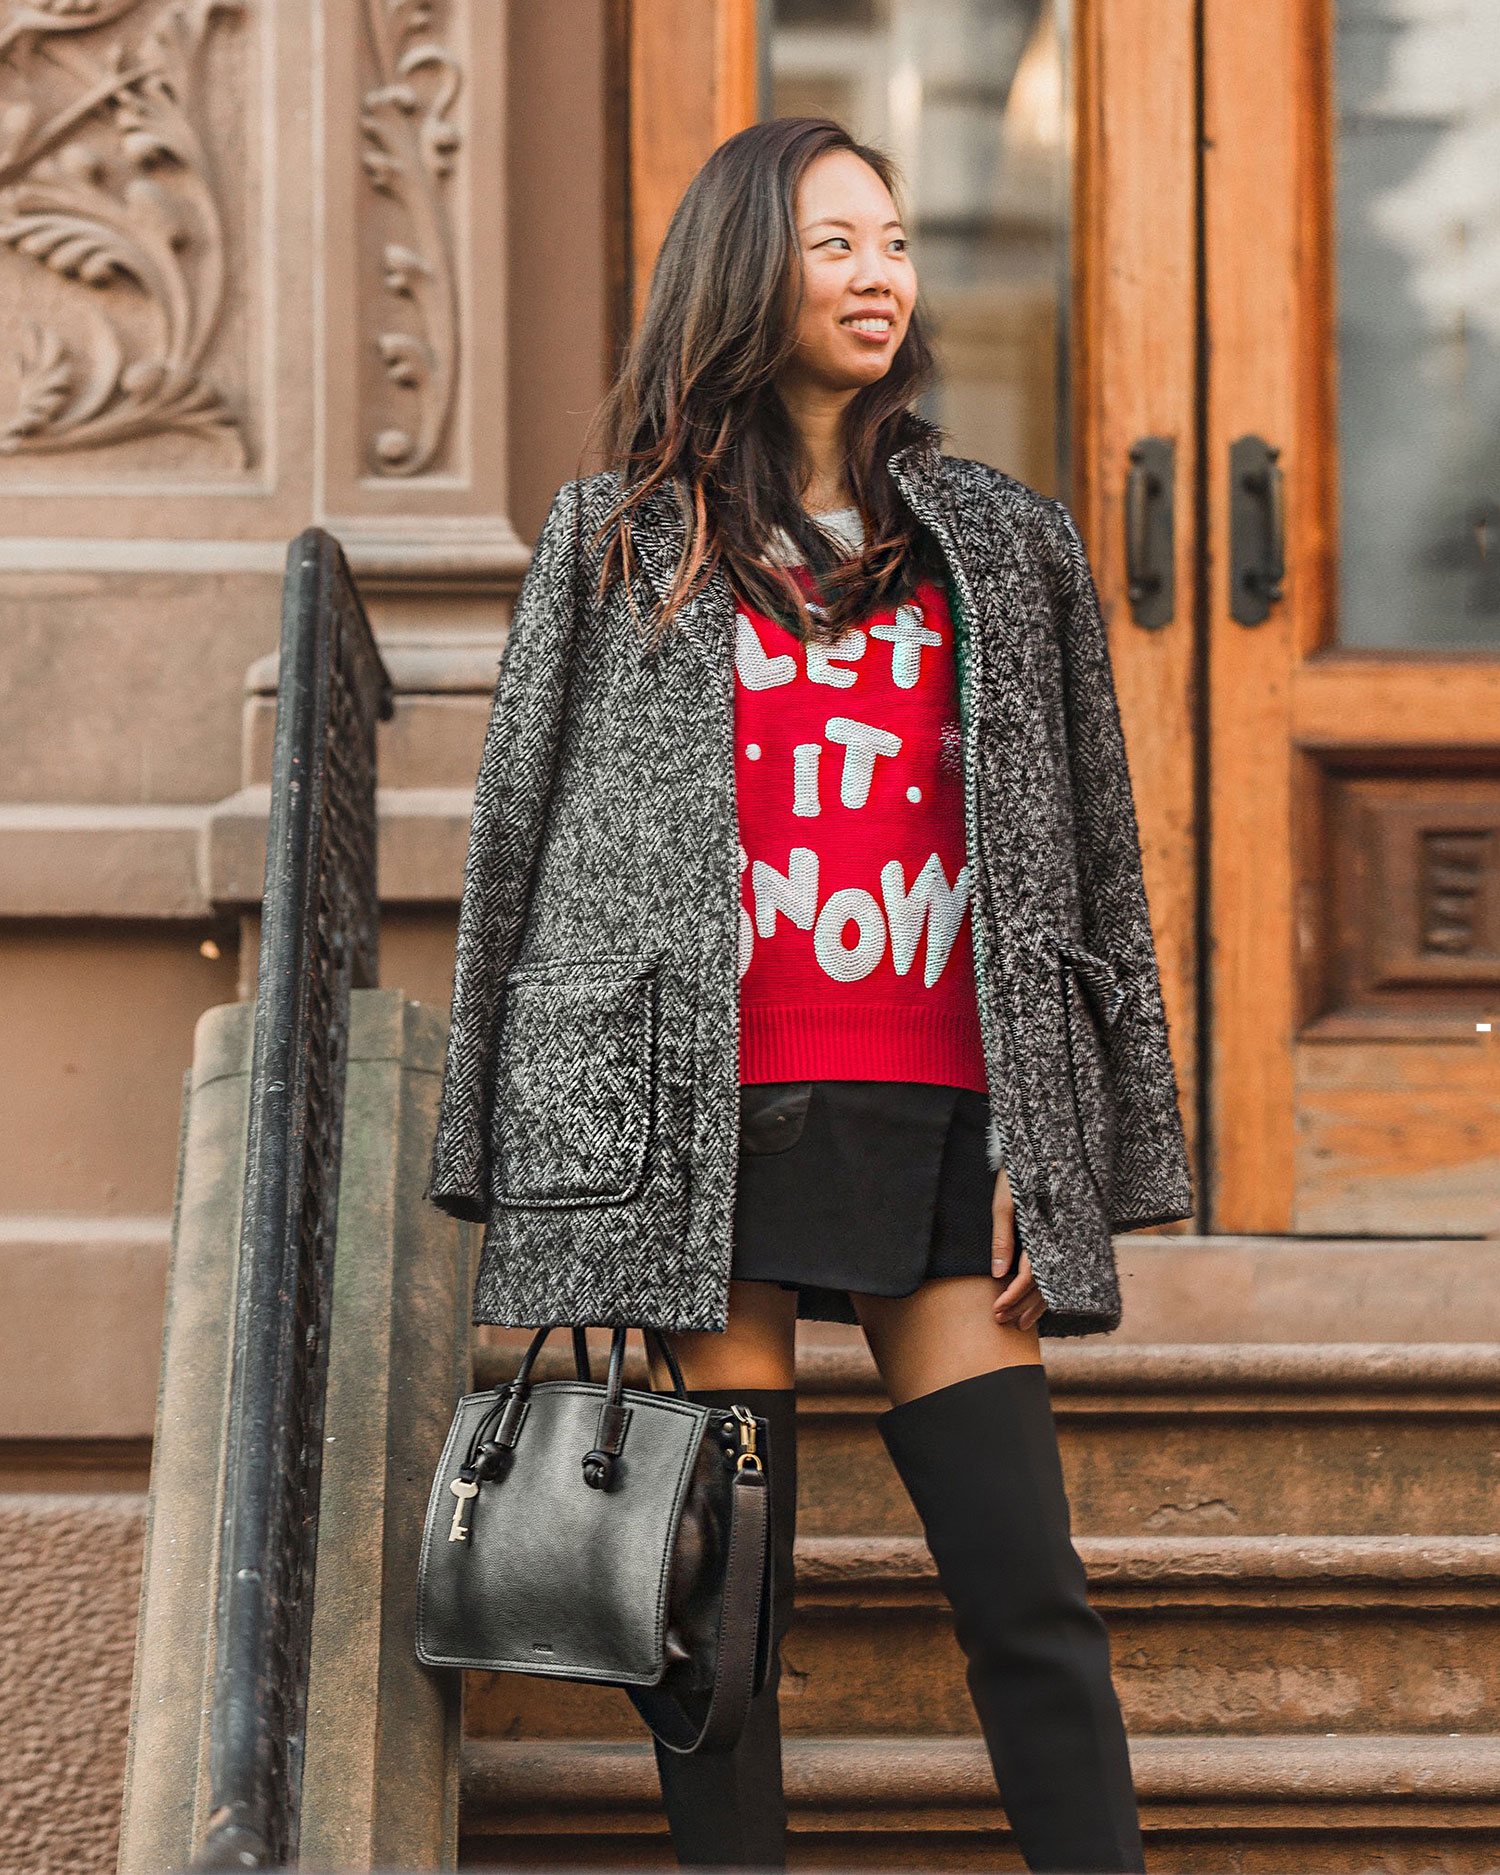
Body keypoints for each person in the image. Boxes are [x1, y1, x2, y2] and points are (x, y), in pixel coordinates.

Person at [425, 115, 1193, 1873]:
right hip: (702, 1127)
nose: (879, 274)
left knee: (1029, 1596)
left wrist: (1054, 1133)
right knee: (718, 1619)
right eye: (833, 242)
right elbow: (517, 851)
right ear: (742, 272)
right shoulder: (622, 539)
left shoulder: (1001, 542)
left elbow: (1085, 856)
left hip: (940, 1114)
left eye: (897, 242)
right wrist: (530, 1152)